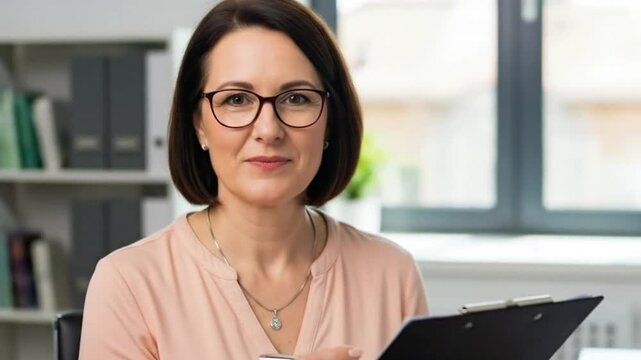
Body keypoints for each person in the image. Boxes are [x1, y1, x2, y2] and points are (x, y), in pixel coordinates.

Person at [79, 0, 428, 359]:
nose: (268, 129)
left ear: (330, 122)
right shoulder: (127, 283)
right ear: (199, 123)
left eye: (296, 98)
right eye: (236, 99)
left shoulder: (392, 274)